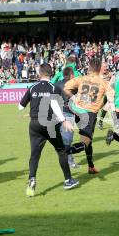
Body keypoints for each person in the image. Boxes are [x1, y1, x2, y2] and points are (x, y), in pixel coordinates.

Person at [19, 64, 79, 197]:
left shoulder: (32, 87)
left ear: (39, 73)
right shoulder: (54, 88)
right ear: (51, 74)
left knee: (35, 154)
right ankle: (68, 180)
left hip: (34, 124)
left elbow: (20, 107)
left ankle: (32, 179)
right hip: (50, 124)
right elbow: (55, 105)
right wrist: (64, 120)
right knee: (61, 151)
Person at [64, 58, 114, 175]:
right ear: (100, 69)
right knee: (85, 142)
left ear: (89, 67)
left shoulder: (81, 78)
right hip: (89, 114)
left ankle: (91, 166)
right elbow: (111, 98)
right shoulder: (104, 83)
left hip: (78, 112)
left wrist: (74, 98)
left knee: (89, 141)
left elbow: (66, 87)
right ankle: (65, 150)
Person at [54, 67, 79, 168]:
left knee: (62, 138)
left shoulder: (56, 84)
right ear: (72, 75)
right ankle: (69, 162)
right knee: (67, 140)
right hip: (68, 114)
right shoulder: (74, 85)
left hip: (56, 114)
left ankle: (66, 159)